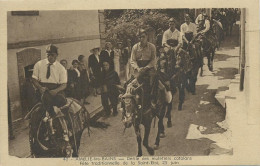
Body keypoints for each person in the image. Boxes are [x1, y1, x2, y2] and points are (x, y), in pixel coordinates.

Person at [31, 44, 68, 140]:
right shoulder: (39, 64)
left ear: (56, 55)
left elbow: (64, 84)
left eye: (52, 55)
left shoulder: (61, 68)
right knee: (35, 111)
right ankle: (36, 132)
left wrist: (55, 91)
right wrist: (39, 87)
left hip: (55, 91)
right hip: (42, 90)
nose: (50, 57)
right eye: (48, 55)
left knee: (63, 105)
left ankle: (66, 128)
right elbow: (34, 79)